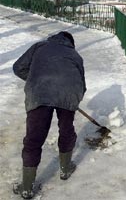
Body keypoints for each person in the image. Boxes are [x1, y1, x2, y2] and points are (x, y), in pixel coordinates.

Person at [12, 31, 86, 199]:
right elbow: (82, 84)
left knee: (34, 138)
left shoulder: (40, 46)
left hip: (40, 93)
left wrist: (36, 79)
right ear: (70, 42)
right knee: (66, 130)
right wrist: (72, 100)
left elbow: (18, 68)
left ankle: (26, 187)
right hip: (69, 93)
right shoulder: (75, 55)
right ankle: (66, 169)